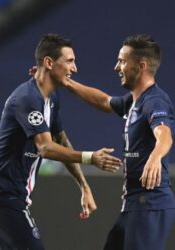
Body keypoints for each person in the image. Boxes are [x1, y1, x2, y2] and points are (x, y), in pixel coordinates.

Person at [0, 33, 122, 250]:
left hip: (6, 197)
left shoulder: (51, 99)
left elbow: (61, 141)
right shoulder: (27, 98)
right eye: (70, 61)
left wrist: (84, 186)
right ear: (48, 62)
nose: (75, 68)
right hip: (3, 198)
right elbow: (45, 147)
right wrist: (90, 157)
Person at [61, 34, 175, 250]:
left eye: (122, 61)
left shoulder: (154, 101)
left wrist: (155, 156)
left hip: (150, 205)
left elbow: (165, 134)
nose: (116, 67)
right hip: (134, 205)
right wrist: (66, 82)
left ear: (141, 66)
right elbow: (104, 101)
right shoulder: (134, 101)